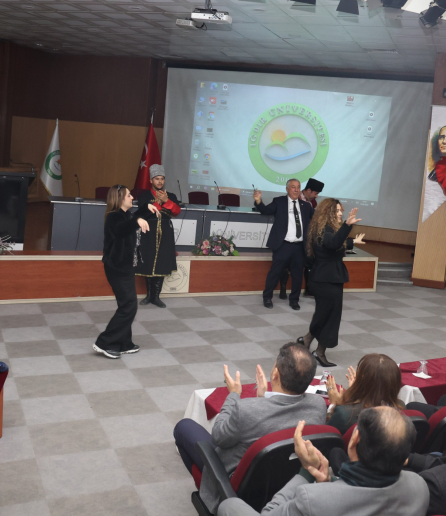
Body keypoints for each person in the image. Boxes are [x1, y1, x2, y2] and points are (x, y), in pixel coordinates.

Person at [173, 343, 326, 513]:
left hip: (240, 485)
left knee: (183, 427)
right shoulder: (318, 405)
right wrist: (263, 400)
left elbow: (218, 436)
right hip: (288, 479)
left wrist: (233, 394)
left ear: (275, 374)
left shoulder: (245, 410)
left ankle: (210, 499)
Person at [217, 409, 428, 516]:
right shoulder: (419, 486)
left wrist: (306, 472)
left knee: (229, 505)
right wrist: (329, 482)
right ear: (405, 456)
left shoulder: (313, 499)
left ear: (354, 440)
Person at [296, 199, 364, 367]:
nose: (340, 213)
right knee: (329, 317)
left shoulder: (325, 228)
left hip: (327, 278)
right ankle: (318, 352)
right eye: (337, 211)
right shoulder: (326, 229)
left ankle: (307, 340)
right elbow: (333, 243)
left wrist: (352, 241)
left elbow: (335, 244)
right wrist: (347, 225)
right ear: (328, 213)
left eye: (341, 211)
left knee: (325, 314)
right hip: (326, 280)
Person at [93, 184, 155, 359]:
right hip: (117, 268)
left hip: (125, 267)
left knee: (127, 305)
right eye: (129, 195)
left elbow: (133, 219)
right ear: (120, 198)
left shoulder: (126, 215)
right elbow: (122, 228)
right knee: (129, 306)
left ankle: (124, 343)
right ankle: (104, 342)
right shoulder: (114, 217)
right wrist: (137, 221)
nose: (132, 197)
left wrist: (147, 209)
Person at [253, 180, 313, 310]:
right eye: (293, 187)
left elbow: (315, 221)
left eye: (298, 187)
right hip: (283, 245)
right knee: (275, 272)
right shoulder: (279, 202)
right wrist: (258, 201)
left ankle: (294, 300)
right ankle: (267, 297)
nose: (296, 190)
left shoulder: (306, 206)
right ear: (287, 189)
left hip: (299, 247)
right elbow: (265, 210)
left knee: (297, 275)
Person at [135, 164, 181, 309]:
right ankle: (149, 295)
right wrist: (158, 203)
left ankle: (156, 297)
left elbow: (176, 212)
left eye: (162, 179)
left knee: (161, 262)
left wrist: (167, 201)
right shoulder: (144, 196)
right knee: (148, 262)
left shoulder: (171, 196)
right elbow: (143, 212)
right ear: (151, 180)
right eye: (157, 179)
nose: (160, 181)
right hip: (148, 232)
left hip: (165, 233)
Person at [323, 354, 404, 434]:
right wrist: (355, 392)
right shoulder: (400, 406)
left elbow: (327, 435)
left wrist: (333, 405)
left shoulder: (344, 414)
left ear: (361, 380)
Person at [278, 178, 324, 298]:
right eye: (315, 193)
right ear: (308, 190)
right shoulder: (294, 199)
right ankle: (283, 289)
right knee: (286, 266)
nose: (316, 196)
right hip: (290, 239)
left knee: (306, 263)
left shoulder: (311, 203)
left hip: (305, 239)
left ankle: (307, 289)